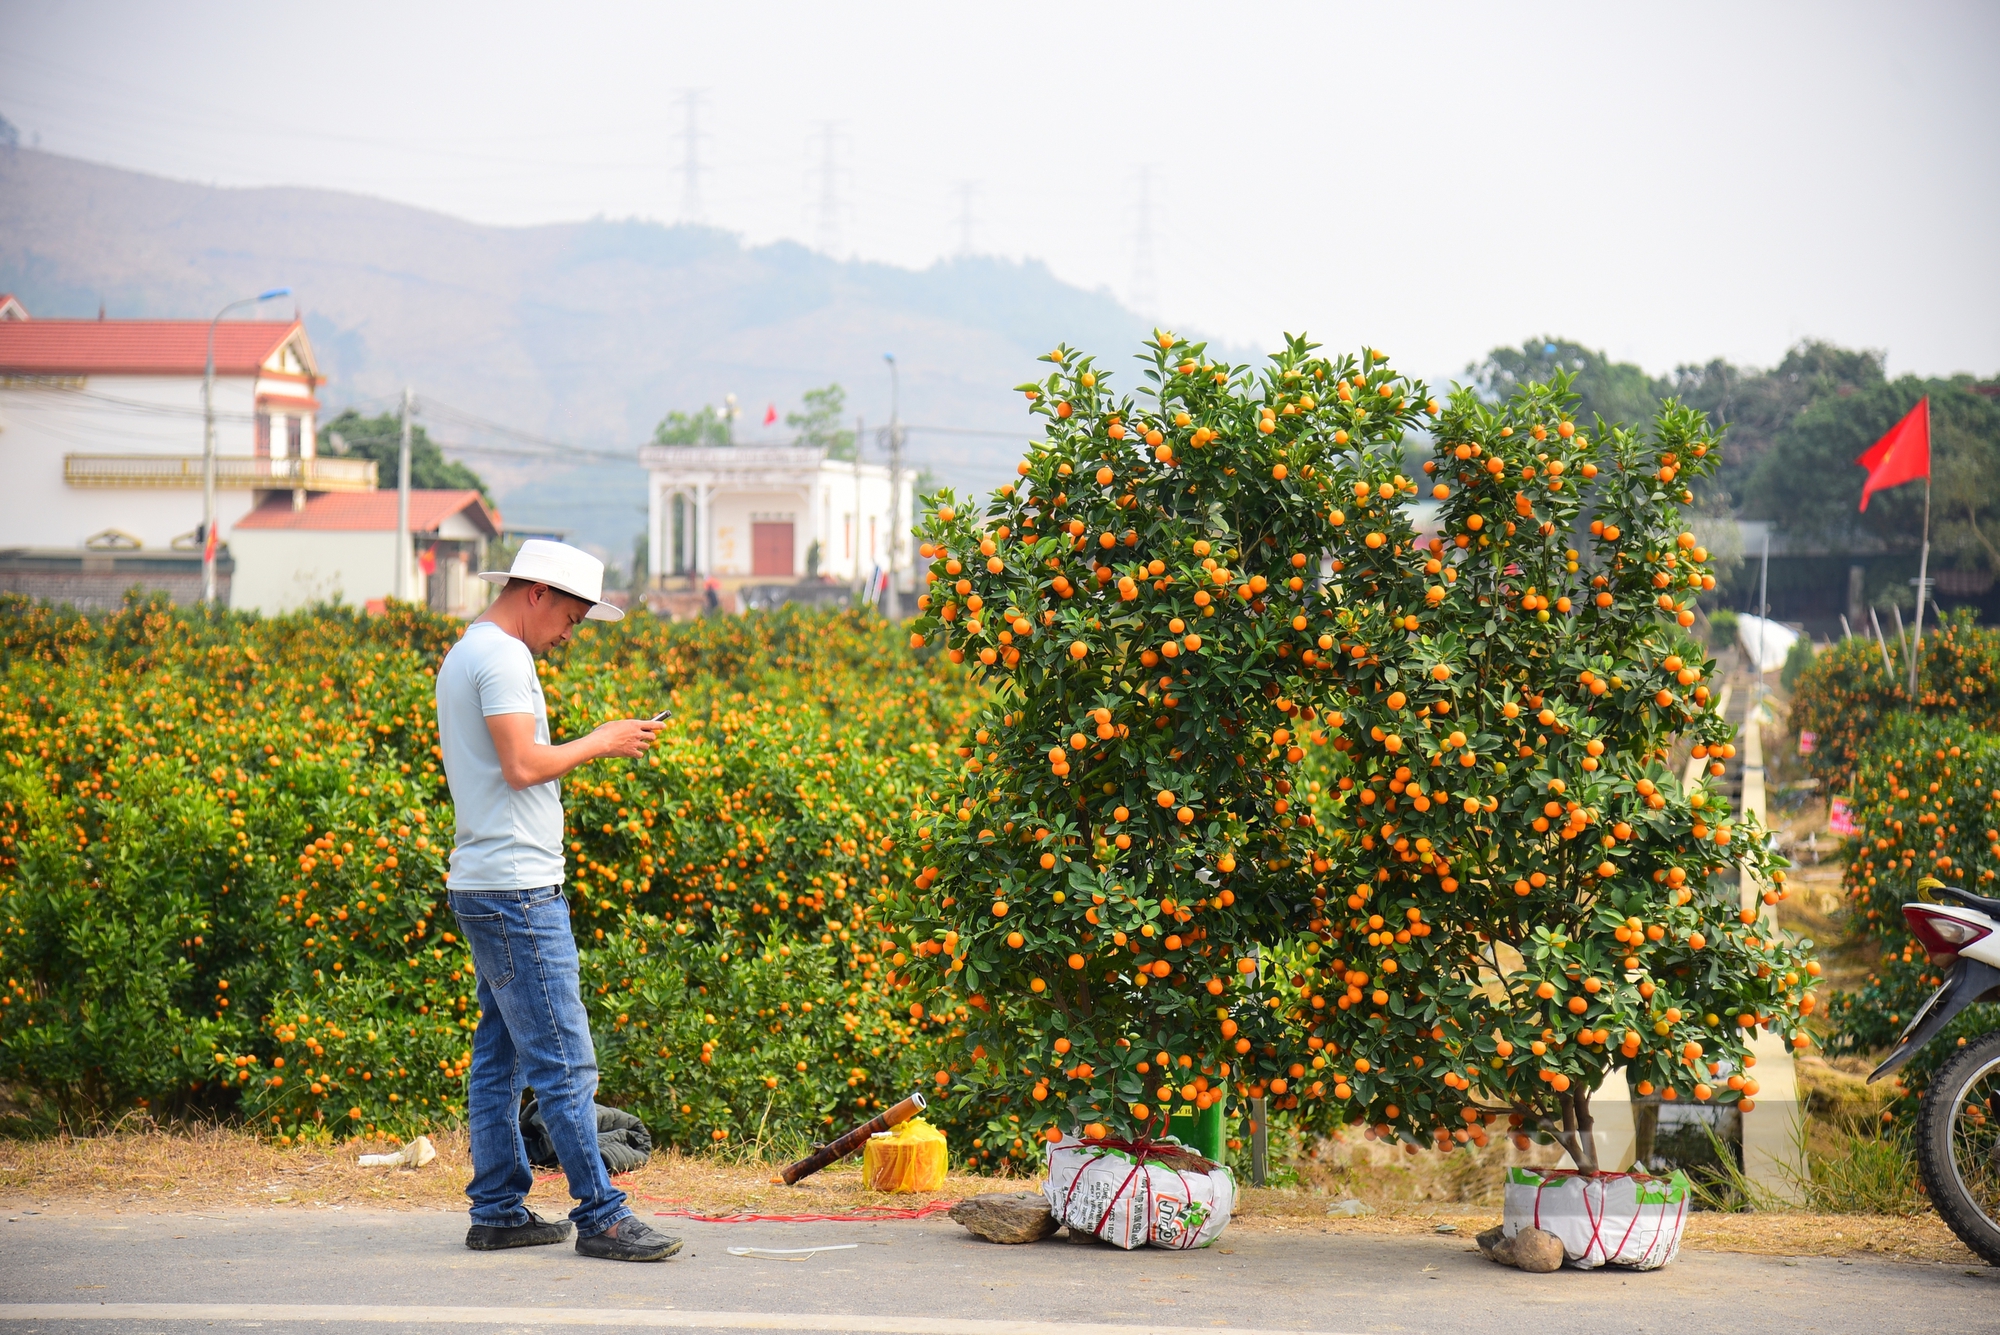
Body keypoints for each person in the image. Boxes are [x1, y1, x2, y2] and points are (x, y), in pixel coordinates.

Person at [435, 539, 681, 1262]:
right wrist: (601, 740)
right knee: (565, 1060)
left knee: (501, 1056)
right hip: (517, 887)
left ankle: (500, 1208)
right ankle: (602, 1213)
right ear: (536, 593)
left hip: (485, 880)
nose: (569, 634)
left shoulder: (468, 652)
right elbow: (521, 765)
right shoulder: (505, 658)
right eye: (571, 618)